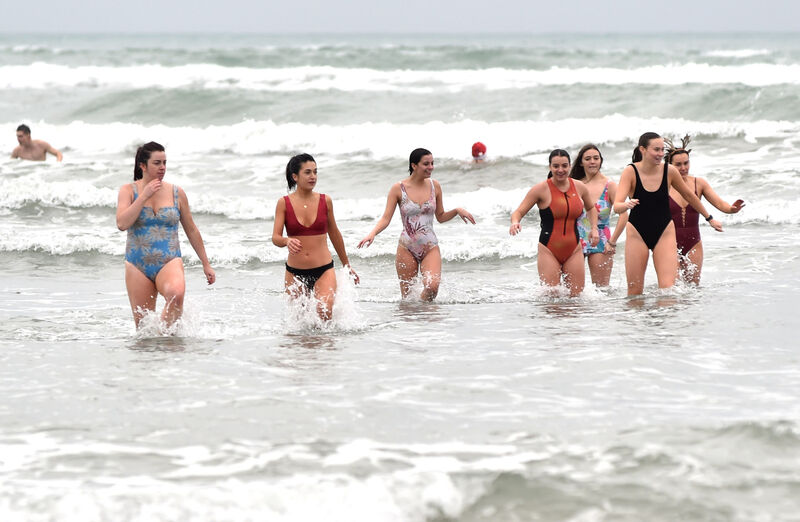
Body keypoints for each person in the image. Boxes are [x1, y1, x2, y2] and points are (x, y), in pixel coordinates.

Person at [116, 142, 215, 329]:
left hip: (169, 260)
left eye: (164, 163)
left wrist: (206, 263)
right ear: (143, 166)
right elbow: (122, 223)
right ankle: (159, 353)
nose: (162, 168)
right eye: (157, 163)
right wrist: (144, 196)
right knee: (144, 329)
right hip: (137, 264)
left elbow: (191, 229)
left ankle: (166, 339)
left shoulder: (177, 193)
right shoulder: (128, 191)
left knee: (176, 295)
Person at [613, 132, 723, 296]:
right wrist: (625, 205)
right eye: (656, 149)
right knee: (635, 291)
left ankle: (666, 321)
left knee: (668, 290)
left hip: (664, 230)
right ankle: (637, 321)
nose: (660, 154)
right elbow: (616, 206)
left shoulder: (669, 171)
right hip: (637, 231)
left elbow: (689, 196)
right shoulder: (630, 171)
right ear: (642, 149)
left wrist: (709, 218)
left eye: (662, 149)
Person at [358, 148, 475, 301]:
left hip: (430, 246)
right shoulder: (398, 189)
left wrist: (457, 211)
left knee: (432, 288)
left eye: (432, 163)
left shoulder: (435, 186)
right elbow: (386, 218)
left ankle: (423, 314)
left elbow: (440, 216)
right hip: (407, 247)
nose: (431, 167)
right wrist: (372, 234)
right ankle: (417, 322)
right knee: (407, 299)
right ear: (414, 165)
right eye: (426, 164)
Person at [272, 153, 359, 320]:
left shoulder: (325, 201)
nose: (313, 176)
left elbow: (334, 233)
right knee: (300, 322)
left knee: (324, 311)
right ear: (295, 176)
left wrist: (347, 265)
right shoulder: (284, 203)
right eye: (308, 172)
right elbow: (275, 237)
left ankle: (327, 346)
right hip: (294, 273)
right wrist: (286, 240)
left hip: (323, 269)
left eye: (315, 172)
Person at [509, 149, 599, 297]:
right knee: (552, 299)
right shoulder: (540, 189)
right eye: (556, 166)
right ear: (550, 167)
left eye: (564, 166)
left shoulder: (579, 187)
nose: (560, 170)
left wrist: (594, 228)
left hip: (574, 249)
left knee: (577, 299)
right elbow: (518, 212)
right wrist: (515, 222)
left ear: (570, 166)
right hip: (549, 250)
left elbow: (590, 208)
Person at [666, 135, 745, 284]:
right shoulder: (663, 185)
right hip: (669, 242)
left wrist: (731, 209)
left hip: (693, 241)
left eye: (686, 163)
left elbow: (719, 203)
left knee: (693, 288)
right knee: (673, 288)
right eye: (678, 164)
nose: (683, 168)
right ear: (670, 165)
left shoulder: (699, 183)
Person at [569, 144, 629, 287]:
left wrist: (612, 241)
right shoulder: (574, 184)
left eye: (596, 158)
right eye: (588, 158)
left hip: (602, 241)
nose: (592, 162)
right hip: (575, 240)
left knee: (601, 290)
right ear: (581, 162)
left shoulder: (610, 186)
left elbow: (624, 216)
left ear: (601, 161)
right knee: (573, 290)